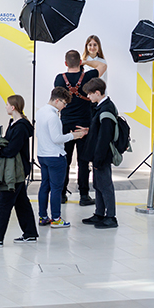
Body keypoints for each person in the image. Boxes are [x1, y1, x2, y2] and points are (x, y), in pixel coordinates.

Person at [0, 95, 38, 246]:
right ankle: (30, 233)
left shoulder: (20, 127)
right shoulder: (14, 123)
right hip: (17, 168)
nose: (5, 106)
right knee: (21, 202)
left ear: (13, 107)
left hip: (16, 170)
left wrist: (0, 151)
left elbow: (13, 149)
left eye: (7, 104)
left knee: (4, 202)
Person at [37, 87, 87, 228]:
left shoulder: (40, 112)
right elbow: (57, 138)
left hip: (42, 155)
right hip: (55, 156)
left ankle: (43, 217)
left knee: (44, 186)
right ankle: (56, 218)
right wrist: (74, 135)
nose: (64, 107)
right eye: (64, 103)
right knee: (56, 189)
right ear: (57, 100)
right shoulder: (53, 116)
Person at [54, 50, 97, 206]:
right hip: (84, 126)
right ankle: (84, 196)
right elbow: (102, 66)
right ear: (79, 62)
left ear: (65, 63)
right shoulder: (88, 76)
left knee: (64, 161)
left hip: (66, 125)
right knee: (83, 162)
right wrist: (85, 62)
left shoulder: (60, 78)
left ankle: (61, 194)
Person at [82, 79, 119, 229]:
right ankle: (99, 213)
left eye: (90, 94)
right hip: (98, 154)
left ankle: (111, 216)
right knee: (98, 184)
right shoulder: (101, 107)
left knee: (105, 185)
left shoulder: (106, 110)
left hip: (103, 155)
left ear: (97, 93)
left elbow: (104, 138)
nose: (88, 97)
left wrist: (98, 158)